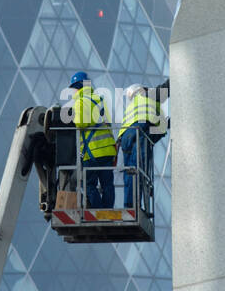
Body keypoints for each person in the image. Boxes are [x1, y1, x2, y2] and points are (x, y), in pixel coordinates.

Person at [67, 71, 116, 209]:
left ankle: (98, 211)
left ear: (77, 87)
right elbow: (107, 122)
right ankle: (108, 211)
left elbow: (80, 123)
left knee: (88, 184)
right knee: (107, 184)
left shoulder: (80, 101)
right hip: (107, 149)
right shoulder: (99, 99)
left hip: (92, 151)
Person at [118, 84, 165, 212]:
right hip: (140, 132)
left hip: (125, 136)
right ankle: (136, 207)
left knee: (130, 172)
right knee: (140, 171)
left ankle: (130, 206)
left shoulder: (131, 106)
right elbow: (161, 128)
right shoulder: (148, 98)